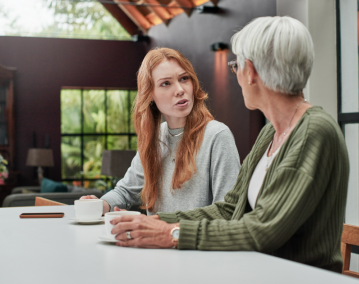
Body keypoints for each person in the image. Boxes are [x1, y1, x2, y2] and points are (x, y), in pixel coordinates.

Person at [109, 17, 349, 272]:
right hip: (260, 271)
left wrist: (173, 234)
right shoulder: (270, 133)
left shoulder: (314, 133)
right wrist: (159, 222)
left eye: (236, 66)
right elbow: (230, 208)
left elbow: (263, 230)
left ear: (252, 72)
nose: (236, 75)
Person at [81, 48, 240, 215]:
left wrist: (168, 230)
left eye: (184, 78)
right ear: (150, 94)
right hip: (152, 241)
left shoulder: (217, 135)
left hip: (191, 240)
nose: (180, 89)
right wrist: (100, 204)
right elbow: (125, 192)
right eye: (166, 83)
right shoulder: (155, 138)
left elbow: (227, 211)